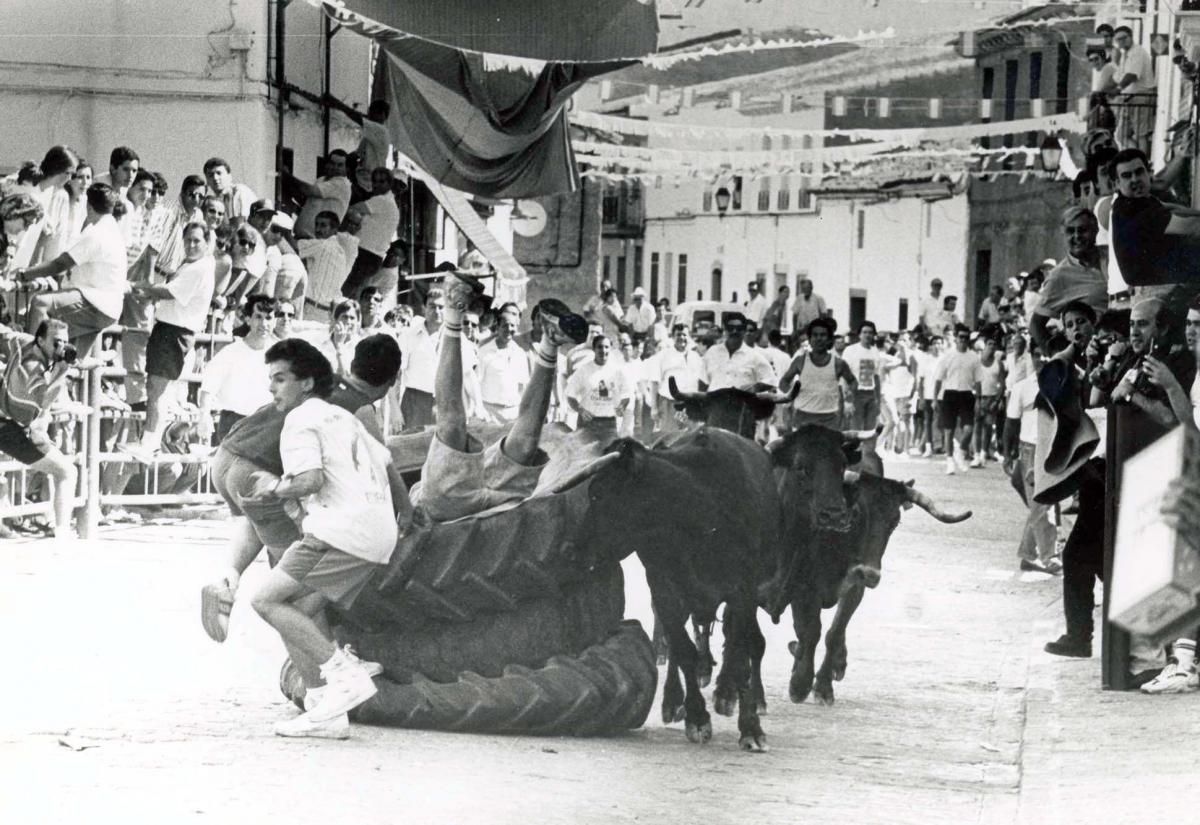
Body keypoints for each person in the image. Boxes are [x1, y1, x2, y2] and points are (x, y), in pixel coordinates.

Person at [245, 338, 401, 738]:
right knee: (298, 609)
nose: (272, 388)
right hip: (379, 533)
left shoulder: (299, 420)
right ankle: (326, 710)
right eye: (271, 380)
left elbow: (309, 479)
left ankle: (346, 677)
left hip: (342, 531)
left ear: (307, 383)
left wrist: (273, 486)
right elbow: (385, 460)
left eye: (281, 379)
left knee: (264, 600)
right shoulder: (343, 416)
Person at [411, 272, 586, 522]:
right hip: (455, 507)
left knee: (467, 429)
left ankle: (548, 339)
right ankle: (548, 341)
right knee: (468, 430)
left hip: (459, 504)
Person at [120, 222, 217, 462]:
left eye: (197, 241)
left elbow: (169, 292)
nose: (191, 245)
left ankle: (150, 445)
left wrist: (142, 288)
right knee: (155, 389)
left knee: (157, 391)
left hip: (174, 332)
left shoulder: (200, 268)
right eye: (188, 241)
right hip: (170, 330)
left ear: (207, 243)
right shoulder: (194, 265)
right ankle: (149, 443)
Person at [16, 183, 127, 357]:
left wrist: (25, 273)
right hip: (106, 307)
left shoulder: (97, 233)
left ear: (88, 205)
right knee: (66, 360)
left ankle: (30, 361)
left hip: (96, 302)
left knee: (40, 303)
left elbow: (60, 265)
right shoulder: (111, 230)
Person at [0, 319, 78, 537]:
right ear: (41, 340)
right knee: (67, 471)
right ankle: (62, 533)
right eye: (56, 343)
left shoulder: (22, 340)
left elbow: (4, 333)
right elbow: (40, 406)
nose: (60, 348)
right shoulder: (33, 370)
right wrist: (62, 371)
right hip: (11, 428)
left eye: (64, 343)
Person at [1011, 343, 1062, 574]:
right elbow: (1010, 422)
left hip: (1050, 447)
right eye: (1037, 354)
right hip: (1030, 449)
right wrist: (1008, 455)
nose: (1041, 358)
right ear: (1030, 356)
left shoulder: (1060, 382)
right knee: (1043, 503)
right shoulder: (1022, 387)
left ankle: (1029, 555)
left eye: (1045, 354)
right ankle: (1048, 557)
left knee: (1040, 503)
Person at [198, 295, 276, 443]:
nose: (264, 323)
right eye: (258, 317)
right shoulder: (231, 352)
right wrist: (204, 416)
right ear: (248, 319)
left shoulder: (280, 355)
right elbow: (208, 387)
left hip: (266, 425)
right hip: (234, 424)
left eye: (268, 318)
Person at [1031, 207, 1108, 351]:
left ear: (1095, 231)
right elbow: (1036, 325)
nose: (1077, 236)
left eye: (1083, 230)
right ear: (1064, 235)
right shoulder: (1059, 276)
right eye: (1070, 231)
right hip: (1095, 354)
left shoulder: (1112, 256)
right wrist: (1063, 360)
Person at [779, 317, 856, 429]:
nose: (819, 338)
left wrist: (849, 399)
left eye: (823, 335)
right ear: (809, 339)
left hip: (829, 418)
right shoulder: (800, 361)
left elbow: (853, 382)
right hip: (803, 417)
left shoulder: (838, 363)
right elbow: (783, 382)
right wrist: (792, 395)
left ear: (829, 339)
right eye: (815, 335)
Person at [342, 168, 399, 300]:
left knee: (345, 292)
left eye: (382, 181)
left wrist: (357, 220)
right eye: (374, 181)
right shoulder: (389, 203)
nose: (376, 185)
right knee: (353, 295)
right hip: (372, 257)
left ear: (390, 184)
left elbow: (351, 209)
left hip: (365, 255)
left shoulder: (382, 200)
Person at [934, 324, 982, 475]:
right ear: (955, 338)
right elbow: (938, 379)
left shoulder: (974, 357)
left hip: (967, 394)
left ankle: (960, 451)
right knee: (949, 430)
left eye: (966, 338)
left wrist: (979, 401)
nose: (963, 340)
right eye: (960, 337)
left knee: (969, 429)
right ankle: (949, 461)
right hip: (950, 394)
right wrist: (935, 399)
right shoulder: (948, 356)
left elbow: (979, 381)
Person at [566, 333, 632, 441]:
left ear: (610, 349)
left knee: (610, 455)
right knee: (584, 456)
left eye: (606, 347)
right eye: (599, 347)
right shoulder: (584, 370)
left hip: (609, 424)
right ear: (594, 349)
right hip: (587, 424)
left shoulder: (617, 371)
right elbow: (570, 395)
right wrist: (580, 410)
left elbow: (627, 394)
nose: (603, 350)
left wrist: (622, 406)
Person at [397, 288, 444, 429]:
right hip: (414, 403)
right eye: (432, 306)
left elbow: (467, 375)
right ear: (424, 309)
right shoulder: (409, 335)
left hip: (444, 403)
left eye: (441, 307)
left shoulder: (456, 338)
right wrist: (394, 409)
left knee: (441, 449)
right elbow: (396, 376)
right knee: (411, 447)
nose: (437, 311)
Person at [699, 313, 775, 392]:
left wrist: (754, 388)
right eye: (730, 328)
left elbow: (771, 380)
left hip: (742, 403)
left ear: (744, 330)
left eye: (739, 328)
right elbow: (703, 382)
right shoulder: (712, 352)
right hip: (714, 402)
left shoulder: (754, 356)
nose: (734, 331)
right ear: (725, 329)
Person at [478, 309, 530, 423]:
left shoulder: (520, 353)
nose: (509, 329)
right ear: (497, 327)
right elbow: (476, 384)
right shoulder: (484, 352)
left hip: (513, 414)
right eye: (505, 325)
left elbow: (522, 386)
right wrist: (481, 411)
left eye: (513, 325)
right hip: (490, 414)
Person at [650, 322, 703, 433]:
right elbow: (654, 382)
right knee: (669, 438)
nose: (682, 338)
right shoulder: (663, 355)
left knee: (691, 439)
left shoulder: (696, 357)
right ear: (673, 337)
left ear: (689, 337)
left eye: (685, 335)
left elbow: (701, 382)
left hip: (691, 405)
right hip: (669, 405)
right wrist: (654, 408)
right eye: (678, 335)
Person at [841, 321, 894, 431]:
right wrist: (847, 400)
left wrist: (878, 401)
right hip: (855, 393)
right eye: (864, 332)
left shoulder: (875, 351)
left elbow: (876, 377)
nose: (867, 335)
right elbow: (843, 376)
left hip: (870, 394)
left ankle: (868, 448)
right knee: (855, 430)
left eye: (870, 332)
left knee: (870, 431)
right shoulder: (850, 350)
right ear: (859, 334)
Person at [1112, 25, 1156, 154]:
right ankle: (1136, 155)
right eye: (1118, 40)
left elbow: (1132, 75)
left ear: (1131, 37)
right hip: (1129, 99)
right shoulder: (1125, 55)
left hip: (1141, 96)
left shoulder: (1137, 52)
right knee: (1121, 135)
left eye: (1123, 38)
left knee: (1141, 134)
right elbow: (1118, 76)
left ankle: (1142, 161)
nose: (1121, 42)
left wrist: (1119, 88)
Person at [291, 150, 352, 238]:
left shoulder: (342, 184)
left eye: (340, 165)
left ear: (346, 168)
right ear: (327, 164)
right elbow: (310, 204)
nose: (335, 167)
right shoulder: (321, 180)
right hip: (303, 237)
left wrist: (285, 174)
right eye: (332, 163)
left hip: (317, 240)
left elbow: (308, 190)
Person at [298, 210, 348, 319]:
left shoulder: (323, 245)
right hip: (327, 312)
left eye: (323, 225)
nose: (317, 229)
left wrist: (284, 231)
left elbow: (295, 248)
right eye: (316, 225)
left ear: (334, 230)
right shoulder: (340, 251)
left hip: (313, 309)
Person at [971, 336, 1005, 466]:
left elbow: (1002, 384)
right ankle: (976, 455)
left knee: (988, 427)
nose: (992, 346)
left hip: (992, 397)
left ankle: (984, 453)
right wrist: (978, 399)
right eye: (989, 343)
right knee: (977, 427)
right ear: (984, 346)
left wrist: (997, 400)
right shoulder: (977, 362)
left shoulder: (998, 364)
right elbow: (976, 381)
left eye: (994, 344)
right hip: (979, 397)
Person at [354, 100, 393, 195]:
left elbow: (358, 119)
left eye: (375, 113)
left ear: (383, 115)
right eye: (370, 112)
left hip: (370, 183)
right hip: (362, 179)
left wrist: (337, 104)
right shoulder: (369, 135)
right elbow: (357, 154)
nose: (370, 116)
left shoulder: (380, 130)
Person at [318, 299, 361, 379]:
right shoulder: (320, 343)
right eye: (344, 317)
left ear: (357, 322)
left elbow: (348, 379)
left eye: (352, 318)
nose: (348, 322)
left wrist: (339, 346)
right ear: (335, 320)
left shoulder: (360, 347)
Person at [792, 278, 826, 342]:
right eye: (803, 288)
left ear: (811, 288)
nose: (805, 290)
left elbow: (823, 314)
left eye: (807, 288)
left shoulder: (818, 298)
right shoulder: (799, 298)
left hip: (814, 330)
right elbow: (795, 315)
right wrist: (794, 330)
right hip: (801, 330)